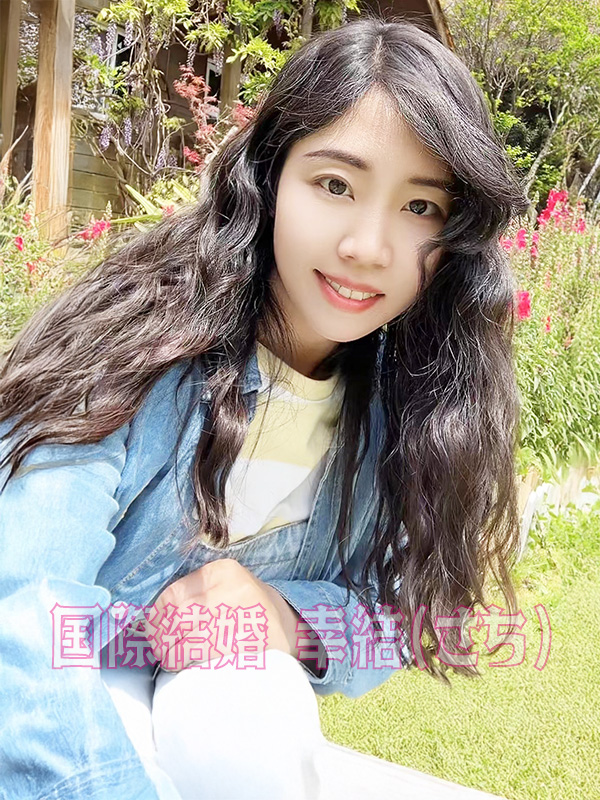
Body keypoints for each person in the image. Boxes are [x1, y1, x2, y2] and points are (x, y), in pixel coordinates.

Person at [0, 14, 530, 800]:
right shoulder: (131, 344)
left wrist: (287, 616)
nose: (367, 247)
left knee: (248, 698)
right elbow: (24, 612)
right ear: (269, 177)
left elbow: (402, 616)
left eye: (420, 207)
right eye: (336, 185)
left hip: (211, 717)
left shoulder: (410, 406)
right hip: (58, 707)